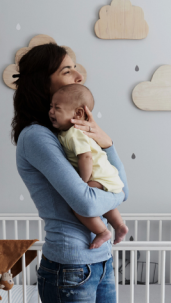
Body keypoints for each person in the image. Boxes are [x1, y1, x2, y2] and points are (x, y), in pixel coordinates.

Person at [13, 43, 129, 303]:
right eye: (67, 71)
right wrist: (111, 192)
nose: (78, 75)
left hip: (101, 264)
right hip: (70, 270)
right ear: (41, 83)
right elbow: (86, 196)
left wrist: (107, 142)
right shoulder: (36, 137)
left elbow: (121, 188)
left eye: (76, 69)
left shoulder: (70, 135)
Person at [49, 83, 128, 249]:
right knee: (105, 205)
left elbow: (85, 157)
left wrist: (82, 182)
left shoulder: (74, 132)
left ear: (78, 113)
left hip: (97, 176)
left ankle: (102, 231)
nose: (51, 112)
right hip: (107, 176)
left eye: (57, 108)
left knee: (78, 204)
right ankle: (119, 226)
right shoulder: (68, 133)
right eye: (50, 107)